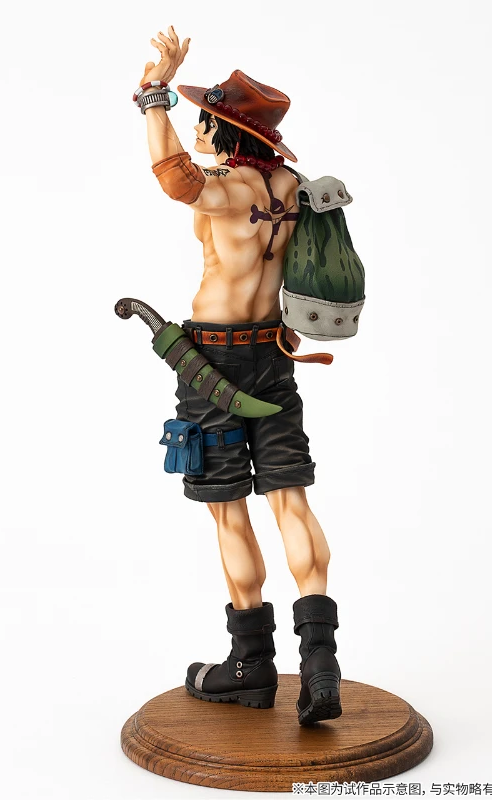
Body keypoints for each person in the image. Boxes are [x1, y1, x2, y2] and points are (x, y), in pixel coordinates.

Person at [135, 27, 342, 725]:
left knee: (228, 507)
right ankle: (320, 666)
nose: (198, 128)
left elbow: (172, 177)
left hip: (213, 363)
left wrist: (154, 95)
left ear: (226, 130)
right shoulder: (291, 188)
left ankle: (251, 666)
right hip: (273, 357)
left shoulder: (226, 190)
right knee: (291, 500)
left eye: (205, 119)